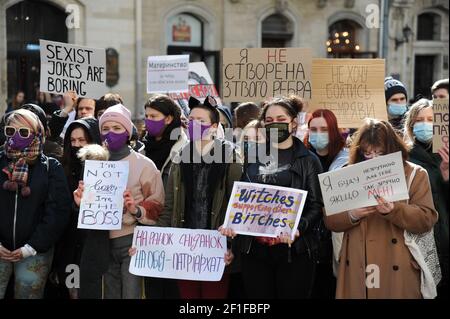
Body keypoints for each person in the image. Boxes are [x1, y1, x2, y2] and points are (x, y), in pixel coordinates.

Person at [222, 96, 324, 299]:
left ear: (293, 123)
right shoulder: (253, 157)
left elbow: (316, 206)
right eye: (269, 120)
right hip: (255, 252)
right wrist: (232, 225)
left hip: (294, 252)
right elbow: (243, 199)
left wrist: (297, 228)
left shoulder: (309, 160)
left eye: (280, 118)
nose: (274, 124)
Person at [325, 118, 438, 299]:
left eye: (379, 153)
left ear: (392, 150)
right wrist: (352, 215)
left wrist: (394, 210)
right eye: (367, 153)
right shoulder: (347, 172)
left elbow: (426, 219)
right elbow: (330, 220)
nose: (373, 159)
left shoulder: (415, 174)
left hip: (396, 264)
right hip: (358, 263)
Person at [73, 103, 165, 299]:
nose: (110, 133)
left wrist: (135, 209)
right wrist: (82, 203)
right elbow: (88, 206)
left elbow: (158, 204)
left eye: (116, 128)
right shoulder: (94, 164)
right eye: (105, 128)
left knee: (132, 295)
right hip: (101, 244)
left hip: (132, 242)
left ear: (127, 132)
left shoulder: (144, 165)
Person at [153, 96, 240, 299]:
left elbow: (236, 207)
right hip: (185, 247)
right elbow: (170, 207)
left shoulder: (231, 157)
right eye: (191, 119)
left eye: (201, 121)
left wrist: (232, 246)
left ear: (214, 127)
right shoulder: (179, 158)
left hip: (217, 249)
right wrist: (150, 242)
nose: (194, 124)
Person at [0, 108, 71, 299]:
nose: (15, 136)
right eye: (10, 131)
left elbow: (58, 211)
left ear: (37, 133)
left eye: (23, 132)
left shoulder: (50, 167)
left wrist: (31, 247)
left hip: (35, 253)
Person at [48, 118, 102, 299]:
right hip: (66, 243)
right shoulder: (60, 168)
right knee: (69, 290)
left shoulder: (105, 169)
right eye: (73, 141)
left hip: (92, 244)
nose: (77, 145)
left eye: (82, 140)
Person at [404, 99, 449, 299]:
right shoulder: (403, 158)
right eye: (420, 120)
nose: (425, 124)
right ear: (412, 125)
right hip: (422, 246)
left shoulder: (446, 155)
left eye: (431, 119)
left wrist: (447, 178)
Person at [304, 109, 349, 299]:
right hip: (308, 240)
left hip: (336, 241)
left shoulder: (346, 160)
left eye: (324, 129)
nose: (318, 134)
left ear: (334, 130)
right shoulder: (302, 158)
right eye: (313, 129)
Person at [142, 95, 188, 186]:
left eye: (153, 116)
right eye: (147, 116)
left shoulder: (183, 149)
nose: (148, 120)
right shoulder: (141, 146)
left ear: (168, 119)